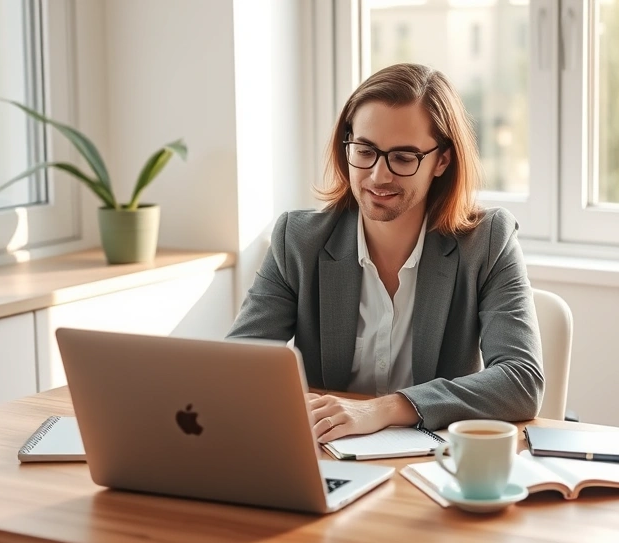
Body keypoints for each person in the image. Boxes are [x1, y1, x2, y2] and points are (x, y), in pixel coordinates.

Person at [226, 63, 543, 442]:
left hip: (433, 463)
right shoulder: (297, 240)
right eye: (365, 150)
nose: (378, 176)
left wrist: (386, 408)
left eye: (404, 158)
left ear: (442, 160)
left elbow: (521, 380)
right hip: (327, 455)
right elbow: (237, 368)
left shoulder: (488, 241)